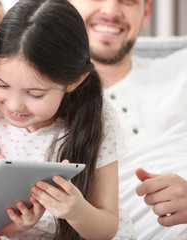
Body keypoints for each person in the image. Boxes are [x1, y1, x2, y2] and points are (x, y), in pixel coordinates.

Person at [0, 0, 130, 239]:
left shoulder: (98, 115)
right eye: (2, 84)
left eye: (35, 94)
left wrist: (76, 211)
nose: (14, 105)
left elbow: (107, 227)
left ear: (74, 81)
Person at [69, 0, 187, 239]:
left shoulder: (181, 67)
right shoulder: (39, 102)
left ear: (146, 13)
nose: (111, 11)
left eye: (128, 1)